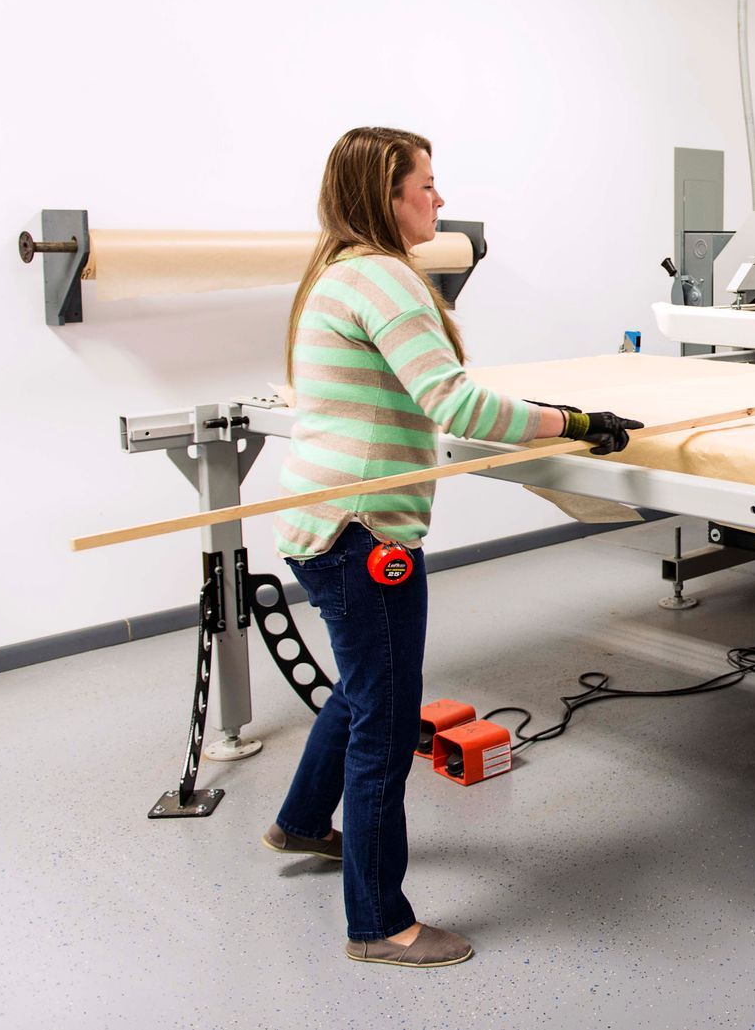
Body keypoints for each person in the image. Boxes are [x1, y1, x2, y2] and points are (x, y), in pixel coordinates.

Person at [262, 126, 641, 968]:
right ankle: (378, 923)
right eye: (425, 185)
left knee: (364, 689)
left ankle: (298, 822)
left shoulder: (338, 271)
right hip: (364, 533)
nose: (439, 198)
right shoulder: (387, 279)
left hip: (322, 524)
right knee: (387, 725)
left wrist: (545, 411)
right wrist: (574, 423)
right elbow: (455, 404)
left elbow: (427, 395)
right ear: (385, 198)